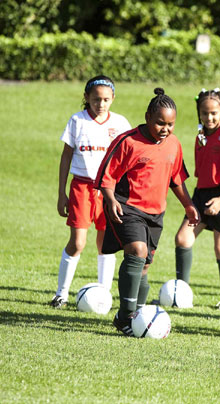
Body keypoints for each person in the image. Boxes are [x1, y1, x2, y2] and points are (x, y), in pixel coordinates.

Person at [95, 88, 199, 336]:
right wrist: (110, 200)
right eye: (160, 123)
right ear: (147, 117)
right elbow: (106, 175)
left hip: (155, 214)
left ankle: (138, 316)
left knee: (144, 266)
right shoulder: (128, 141)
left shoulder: (173, 144)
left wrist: (188, 204)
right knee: (137, 251)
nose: (165, 128)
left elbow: (177, 179)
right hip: (126, 206)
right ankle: (125, 317)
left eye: (170, 124)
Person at [50, 75, 131, 308]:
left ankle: (103, 295)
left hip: (110, 191)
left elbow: (128, 158)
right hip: (82, 188)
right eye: (96, 99)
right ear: (87, 98)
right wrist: (61, 193)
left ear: (113, 98)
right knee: (77, 242)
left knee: (106, 243)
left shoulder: (120, 123)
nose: (101, 104)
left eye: (106, 99)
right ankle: (61, 294)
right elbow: (66, 156)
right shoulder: (77, 121)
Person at [173, 88, 220, 312]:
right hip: (202, 195)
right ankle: (180, 293)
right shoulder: (200, 137)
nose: (210, 118)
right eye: (205, 113)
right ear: (199, 113)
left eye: (214, 113)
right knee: (183, 238)